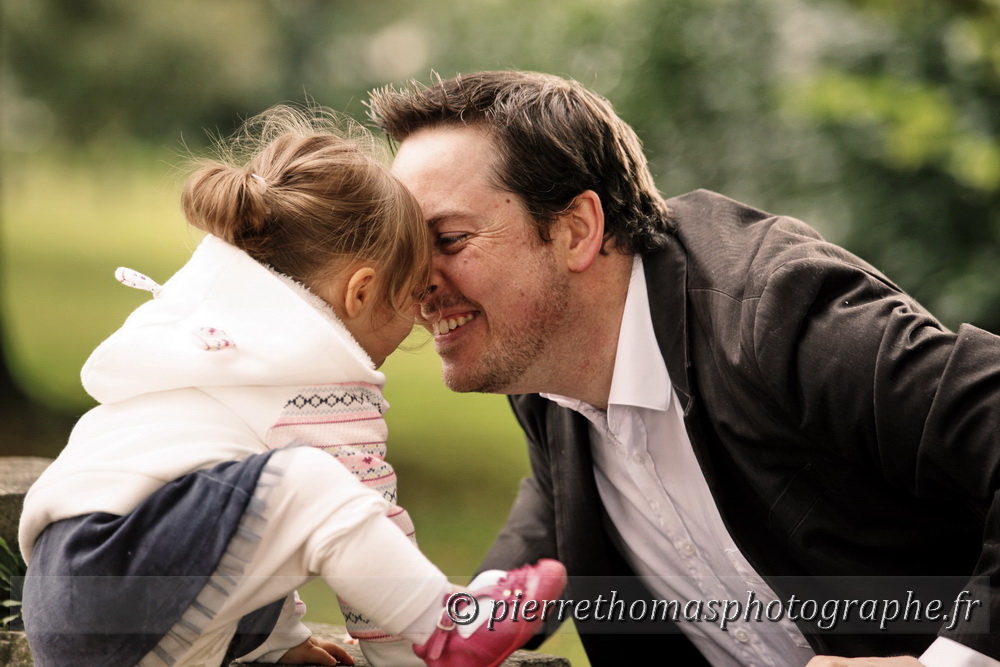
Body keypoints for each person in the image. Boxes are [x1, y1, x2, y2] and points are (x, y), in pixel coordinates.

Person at [367, 71, 1000, 666]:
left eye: (447, 240)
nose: (415, 282)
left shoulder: (778, 316)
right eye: (405, 250)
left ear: (576, 231)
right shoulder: (544, 366)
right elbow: (556, 502)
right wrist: (461, 620)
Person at [17, 105, 566, 667]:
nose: (417, 323)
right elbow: (364, 525)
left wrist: (282, 645)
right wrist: (414, 649)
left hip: (69, 595)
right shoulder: (321, 380)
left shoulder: (212, 343)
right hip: (119, 578)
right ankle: (450, 627)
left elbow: (245, 524)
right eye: (409, 299)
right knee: (309, 482)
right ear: (361, 292)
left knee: (277, 492)